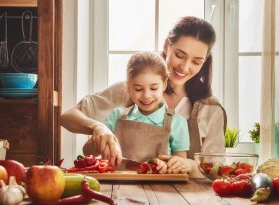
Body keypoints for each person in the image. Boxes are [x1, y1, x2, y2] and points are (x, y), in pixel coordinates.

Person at [60, 16, 227, 177]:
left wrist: (191, 165)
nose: (184, 66)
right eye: (180, 55)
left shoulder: (210, 110)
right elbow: (67, 117)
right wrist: (98, 127)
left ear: (204, 62)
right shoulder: (129, 90)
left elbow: (215, 171)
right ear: (167, 46)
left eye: (196, 61)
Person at [83, 51, 190, 174]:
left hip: (159, 190)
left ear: (165, 84)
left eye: (154, 88)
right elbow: (87, 151)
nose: (146, 95)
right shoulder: (117, 116)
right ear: (129, 87)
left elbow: (181, 166)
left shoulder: (177, 122)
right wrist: (100, 135)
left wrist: (166, 165)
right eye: (138, 89)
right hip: (117, 187)